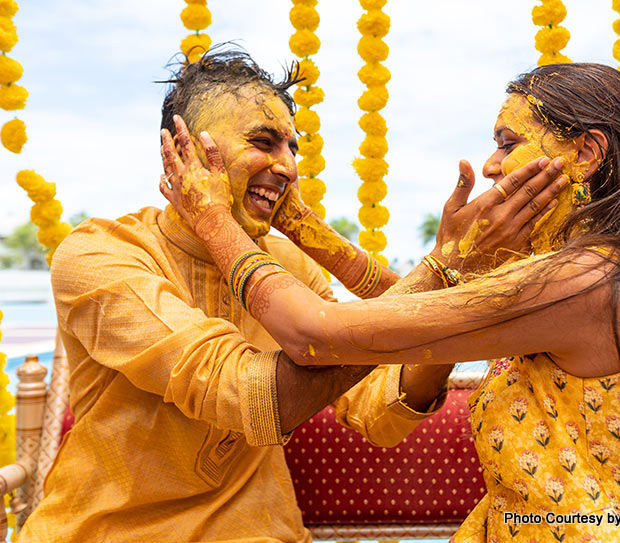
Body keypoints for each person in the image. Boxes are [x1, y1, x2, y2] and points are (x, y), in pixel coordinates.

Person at [160, 62, 620, 543]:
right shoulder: (591, 267)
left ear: (585, 154)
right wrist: (309, 229)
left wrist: (213, 217)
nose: (494, 163)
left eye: (507, 141)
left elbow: (318, 331)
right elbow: (417, 312)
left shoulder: (583, 282)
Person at [18, 51, 565, 542]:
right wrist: (448, 271)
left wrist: (445, 296)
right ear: (180, 151)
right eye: (263, 141)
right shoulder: (97, 255)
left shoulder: (289, 264)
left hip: (258, 530)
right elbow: (249, 393)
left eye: (292, 147)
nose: (288, 166)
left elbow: (380, 412)